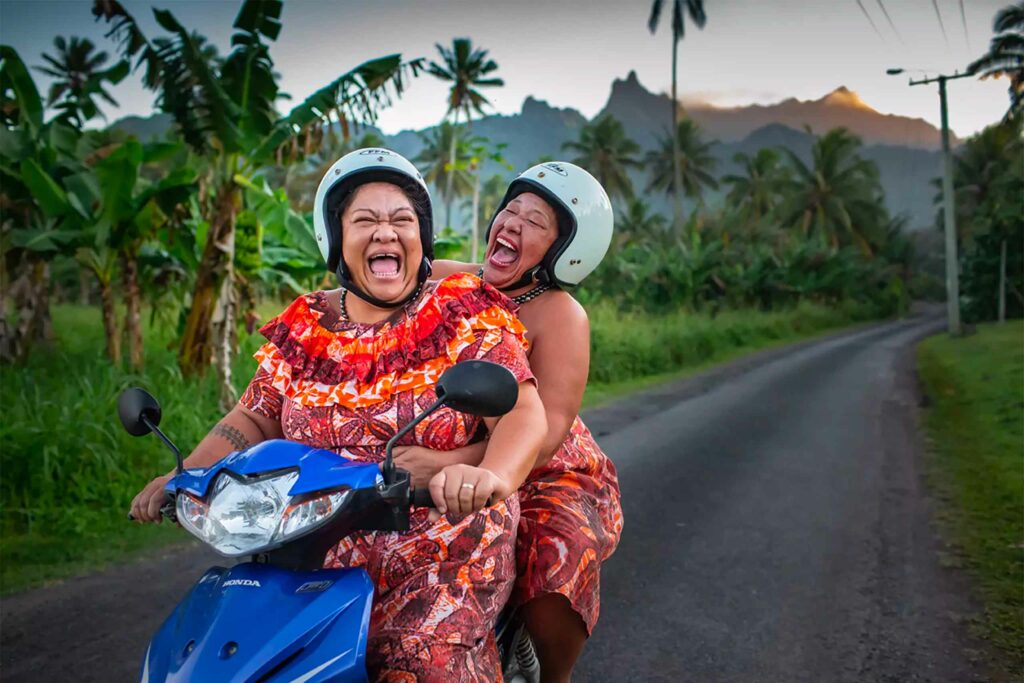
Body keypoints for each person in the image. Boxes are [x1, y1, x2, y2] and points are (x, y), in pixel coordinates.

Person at [130, 148, 548, 682]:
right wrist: (183, 476)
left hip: (442, 541)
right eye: (365, 221)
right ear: (337, 240)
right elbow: (252, 419)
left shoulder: (463, 311)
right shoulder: (308, 325)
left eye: (402, 220)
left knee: (423, 665)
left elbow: (521, 413)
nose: (385, 233)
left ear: (422, 239)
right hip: (307, 544)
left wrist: (489, 475)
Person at [396, 161, 623, 683]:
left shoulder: (561, 314)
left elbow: (547, 433)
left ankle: (555, 677)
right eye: (510, 210)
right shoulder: (448, 278)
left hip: (549, 465)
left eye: (537, 221)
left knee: (558, 558)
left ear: (567, 249)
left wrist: (446, 465)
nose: (513, 224)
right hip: (450, 440)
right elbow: (376, 287)